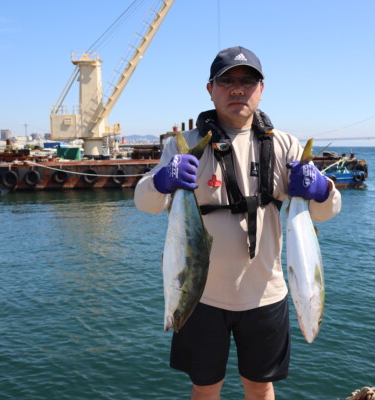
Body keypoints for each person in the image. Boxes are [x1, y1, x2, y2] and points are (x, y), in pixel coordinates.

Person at [134, 46, 341, 400]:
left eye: (248, 81)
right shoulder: (185, 146)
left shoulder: (285, 145)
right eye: (227, 81)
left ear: (261, 88)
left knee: (260, 386)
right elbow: (144, 202)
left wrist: (322, 189)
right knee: (205, 387)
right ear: (210, 89)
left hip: (266, 294)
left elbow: (327, 211)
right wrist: (162, 180)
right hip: (198, 295)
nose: (237, 89)